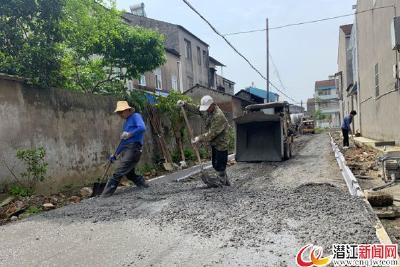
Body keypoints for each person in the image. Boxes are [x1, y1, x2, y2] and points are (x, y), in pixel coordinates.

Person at [177, 95, 230, 188]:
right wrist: (185, 104)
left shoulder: (219, 116)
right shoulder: (207, 111)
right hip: (214, 141)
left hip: (221, 142)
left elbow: (211, 133)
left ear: (212, 105)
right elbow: (197, 109)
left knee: (220, 164)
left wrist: (199, 138)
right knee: (215, 163)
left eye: (207, 108)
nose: (205, 110)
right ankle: (225, 181)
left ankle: (222, 181)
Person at [102, 101, 149, 197]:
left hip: (134, 148)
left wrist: (129, 134)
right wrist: (115, 155)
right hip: (127, 148)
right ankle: (143, 185)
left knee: (119, 170)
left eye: (121, 112)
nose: (120, 114)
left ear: (128, 110)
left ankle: (105, 195)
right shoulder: (126, 123)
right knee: (129, 173)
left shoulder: (136, 116)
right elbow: (123, 142)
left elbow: (142, 128)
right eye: (118, 112)